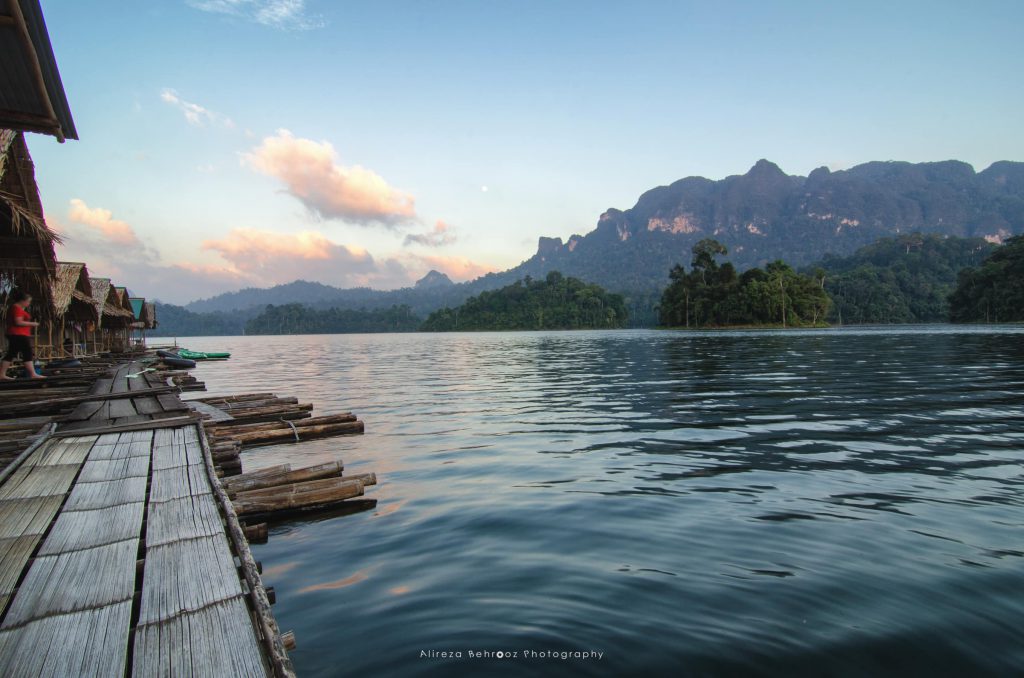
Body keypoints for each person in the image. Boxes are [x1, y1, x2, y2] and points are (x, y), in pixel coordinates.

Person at [1, 290, 45, 380]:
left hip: (16, 334)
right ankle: (33, 373)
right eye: (28, 301)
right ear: (22, 301)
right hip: (18, 334)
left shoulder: (16, 308)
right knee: (27, 352)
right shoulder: (16, 308)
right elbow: (18, 322)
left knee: (11, 353)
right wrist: (33, 324)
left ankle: (2, 374)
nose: (29, 303)